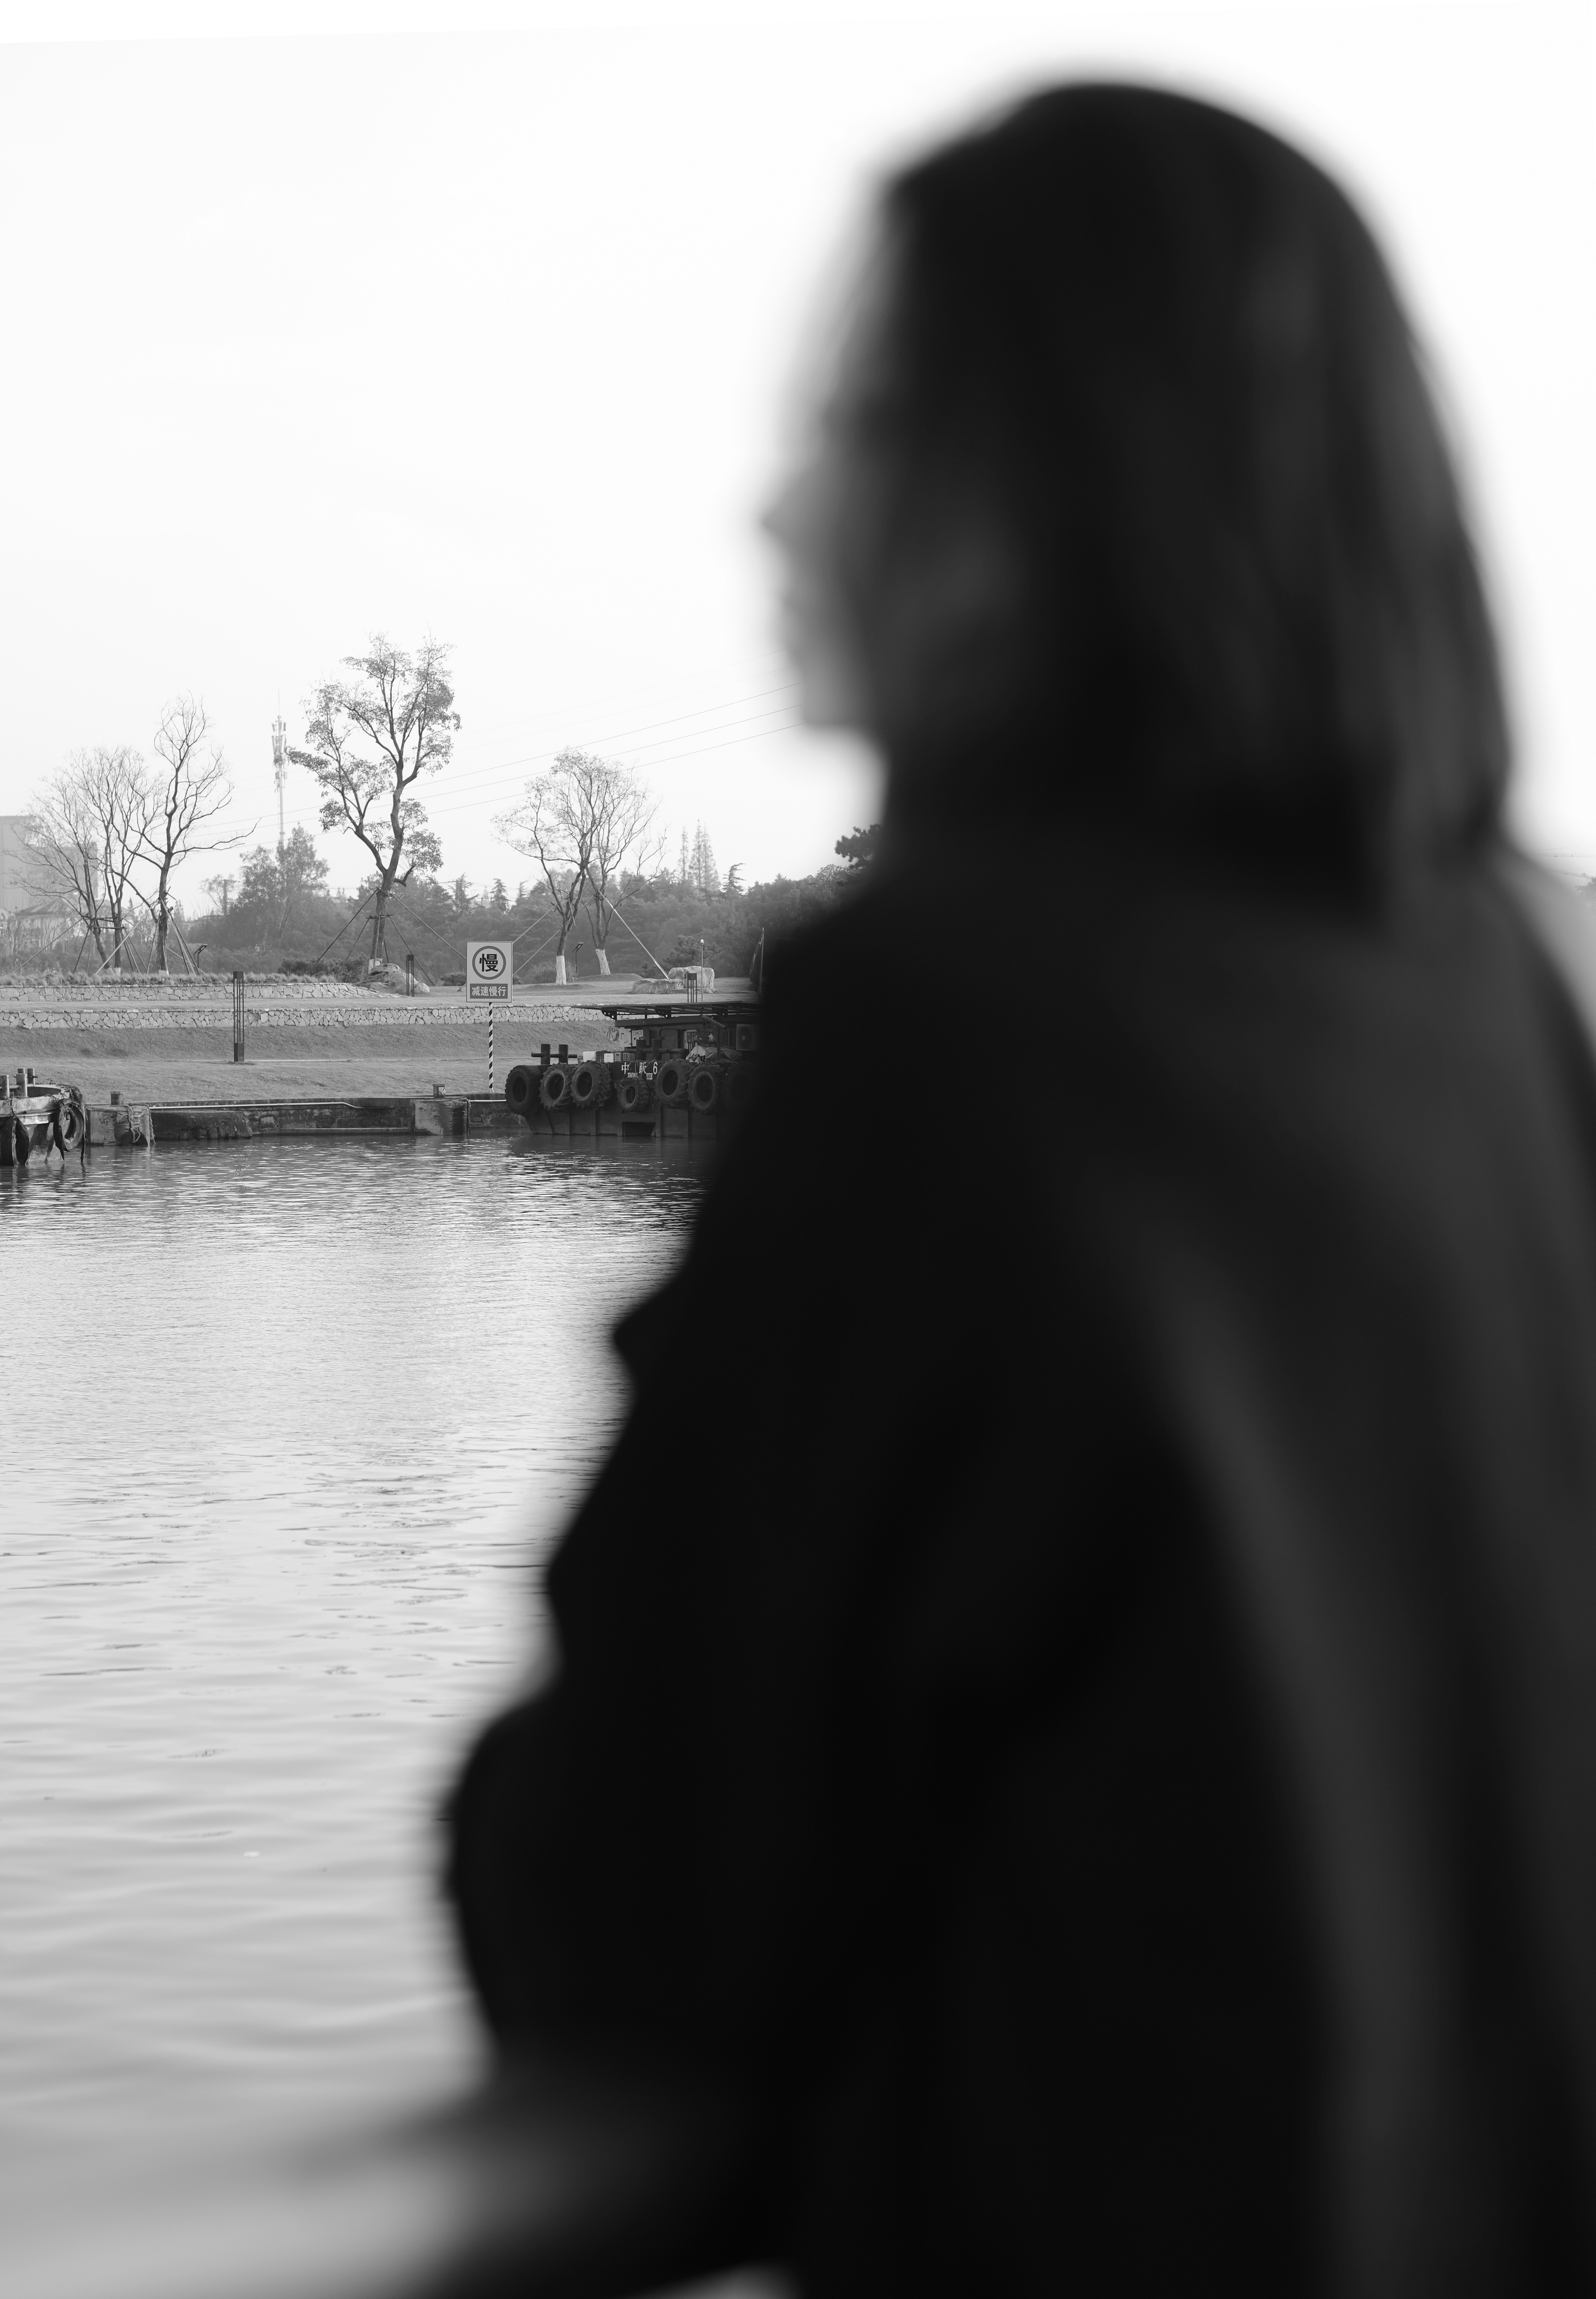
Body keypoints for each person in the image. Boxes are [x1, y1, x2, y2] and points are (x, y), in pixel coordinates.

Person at [446, 84, 1596, 2294]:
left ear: (1042, 504)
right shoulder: (1521, 998)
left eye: (861, 419)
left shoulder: (940, 1027)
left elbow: (618, 1907)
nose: (786, 504)